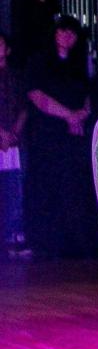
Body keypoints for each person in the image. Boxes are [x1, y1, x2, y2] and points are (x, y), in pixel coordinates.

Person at [24, 16, 97, 259]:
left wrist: (80, 116)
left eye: (73, 33)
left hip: (73, 136)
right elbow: (36, 96)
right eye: (64, 31)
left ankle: (75, 244)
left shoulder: (78, 65)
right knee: (47, 187)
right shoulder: (39, 61)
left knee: (74, 189)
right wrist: (68, 115)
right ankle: (45, 244)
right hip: (47, 135)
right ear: (55, 33)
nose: (68, 37)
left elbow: (87, 97)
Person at [0, 33, 28, 259]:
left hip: (13, 141)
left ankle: (11, 236)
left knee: (12, 188)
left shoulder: (16, 77)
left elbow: (24, 107)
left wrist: (13, 133)